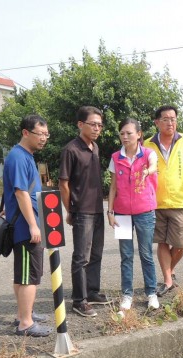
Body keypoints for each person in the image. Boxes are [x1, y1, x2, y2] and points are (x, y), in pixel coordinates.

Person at [59, 106, 110, 318]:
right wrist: (70, 209)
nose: (97, 128)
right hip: (82, 211)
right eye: (93, 124)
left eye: (99, 124)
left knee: (96, 254)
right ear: (81, 125)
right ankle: (79, 301)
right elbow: (64, 183)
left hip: (98, 208)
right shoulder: (71, 150)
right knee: (81, 256)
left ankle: (92, 291)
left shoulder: (95, 147)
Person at [3, 114, 51, 337]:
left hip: (25, 224)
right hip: (25, 227)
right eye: (40, 134)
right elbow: (21, 192)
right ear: (25, 133)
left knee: (22, 275)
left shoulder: (24, 155)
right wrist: (33, 225)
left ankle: (25, 313)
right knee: (29, 276)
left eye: (46, 134)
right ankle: (26, 323)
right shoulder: (19, 157)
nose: (44, 138)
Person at [107, 118, 159, 311]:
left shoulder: (148, 154)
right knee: (126, 255)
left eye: (129, 133)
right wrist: (110, 212)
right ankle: (127, 294)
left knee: (146, 254)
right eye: (122, 133)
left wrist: (147, 171)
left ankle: (151, 293)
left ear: (139, 134)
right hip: (121, 214)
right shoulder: (115, 157)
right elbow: (112, 187)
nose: (125, 137)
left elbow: (154, 166)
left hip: (144, 211)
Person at [144, 105, 183, 297]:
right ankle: (167, 279)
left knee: (181, 244)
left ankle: (168, 273)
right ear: (157, 122)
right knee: (162, 242)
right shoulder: (147, 145)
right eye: (166, 119)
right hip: (154, 202)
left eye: (173, 118)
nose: (170, 122)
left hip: (180, 201)